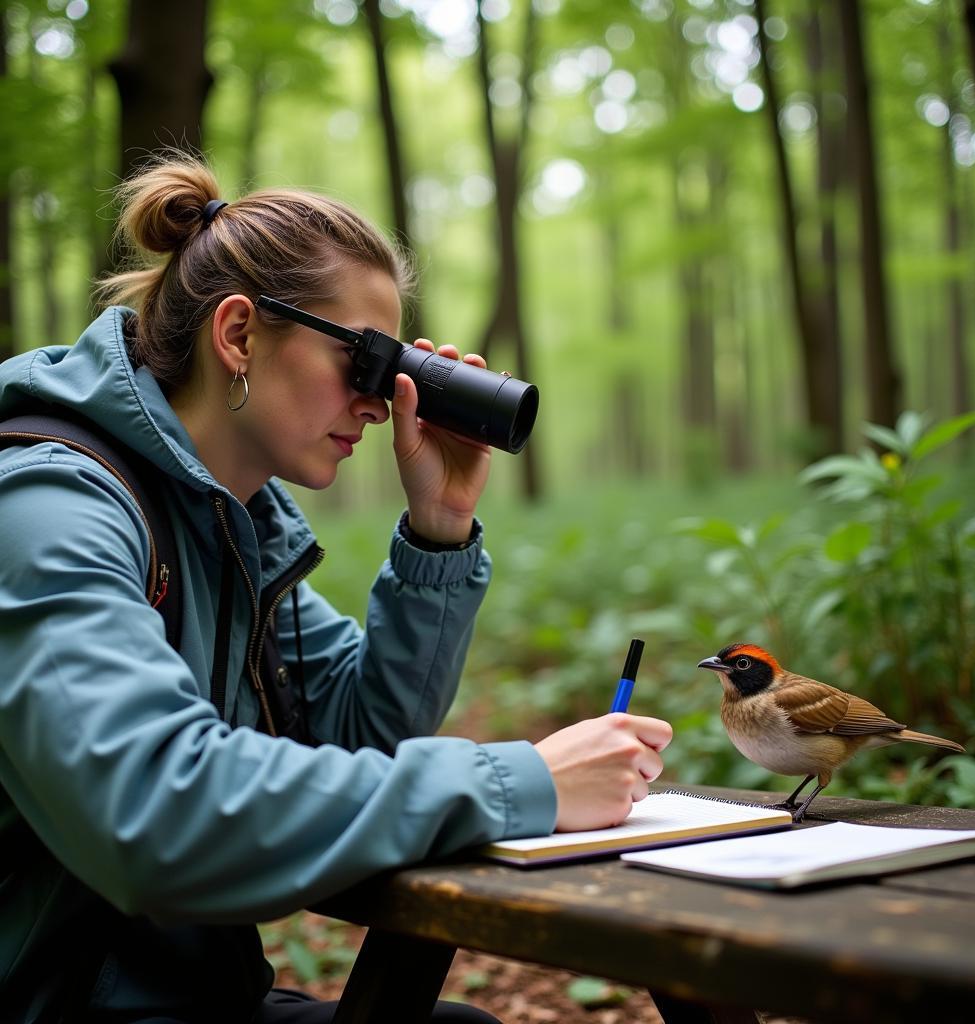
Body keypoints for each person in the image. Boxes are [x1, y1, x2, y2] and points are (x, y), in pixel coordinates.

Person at [0, 153, 673, 1024]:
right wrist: (521, 781)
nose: (382, 400)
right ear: (239, 335)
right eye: (363, 361)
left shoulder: (236, 529)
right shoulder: (49, 508)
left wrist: (438, 534)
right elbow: (154, 810)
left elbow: (365, 736)